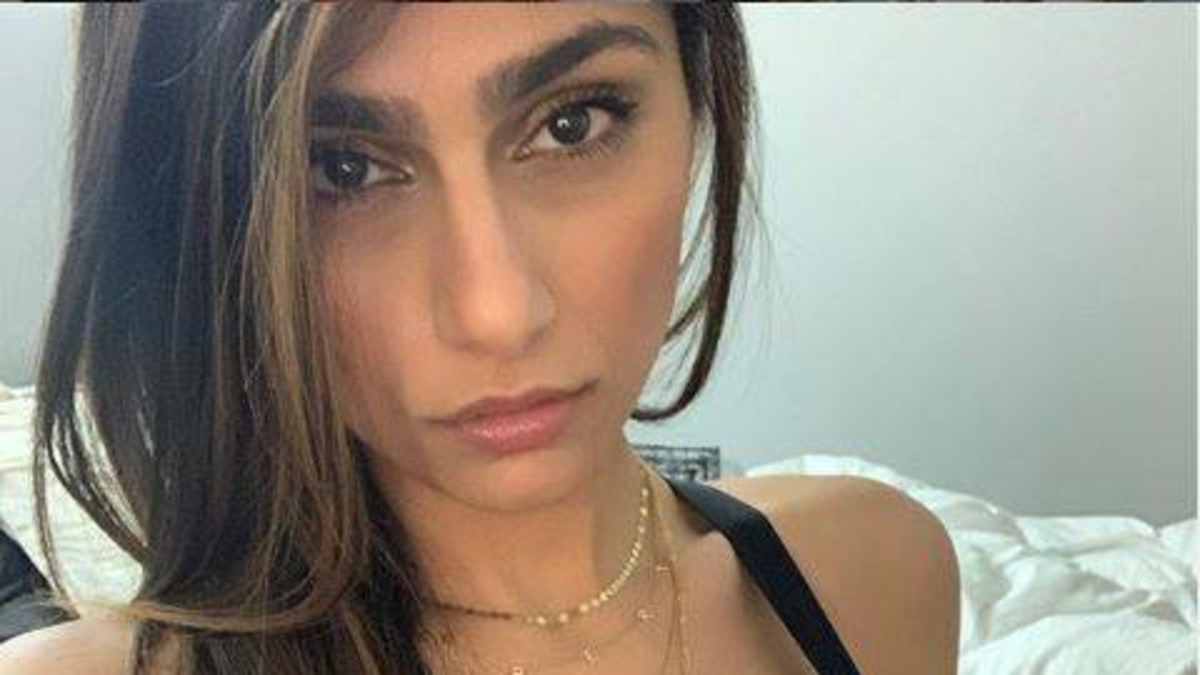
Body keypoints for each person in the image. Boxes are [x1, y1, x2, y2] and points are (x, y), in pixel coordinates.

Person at [0, 4, 960, 674]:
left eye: (572, 123)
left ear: (698, 97)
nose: (497, 311)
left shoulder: (876, 570)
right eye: (341, 168)